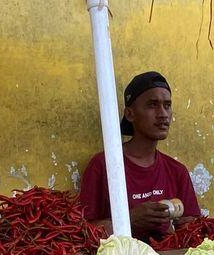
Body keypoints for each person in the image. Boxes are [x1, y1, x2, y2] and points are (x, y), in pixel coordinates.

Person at [80, 71, 201, 241]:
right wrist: (129, 220)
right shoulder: (103, 166)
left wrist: (182, 226)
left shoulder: (177, 171)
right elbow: (83, 231)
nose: (163, 114)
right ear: (130, 114)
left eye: (167, 105)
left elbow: (193, 229)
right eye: (152, 105)